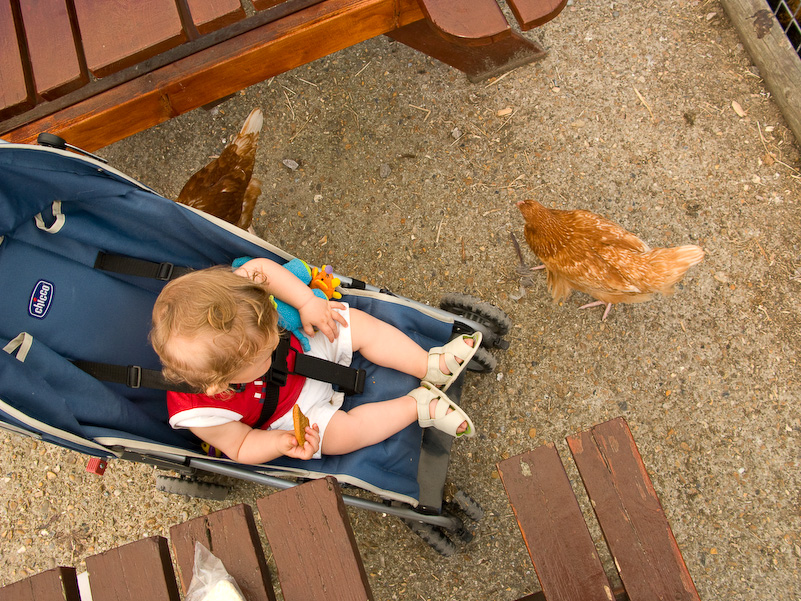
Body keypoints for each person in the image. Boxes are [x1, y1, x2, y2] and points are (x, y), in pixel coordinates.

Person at [149, 257, 481, 465]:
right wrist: (278, 443)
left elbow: (263, 270)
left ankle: (429, 365)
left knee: (354, 324)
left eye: (268, 325)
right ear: (222, 382)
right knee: (339, 436)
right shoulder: (199, 412)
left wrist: (306, 301)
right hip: (290, 414)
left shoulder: (236, 293)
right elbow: (240, 445)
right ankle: (419, 407)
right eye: (263, 350)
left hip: (303, 343)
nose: (271, 335)